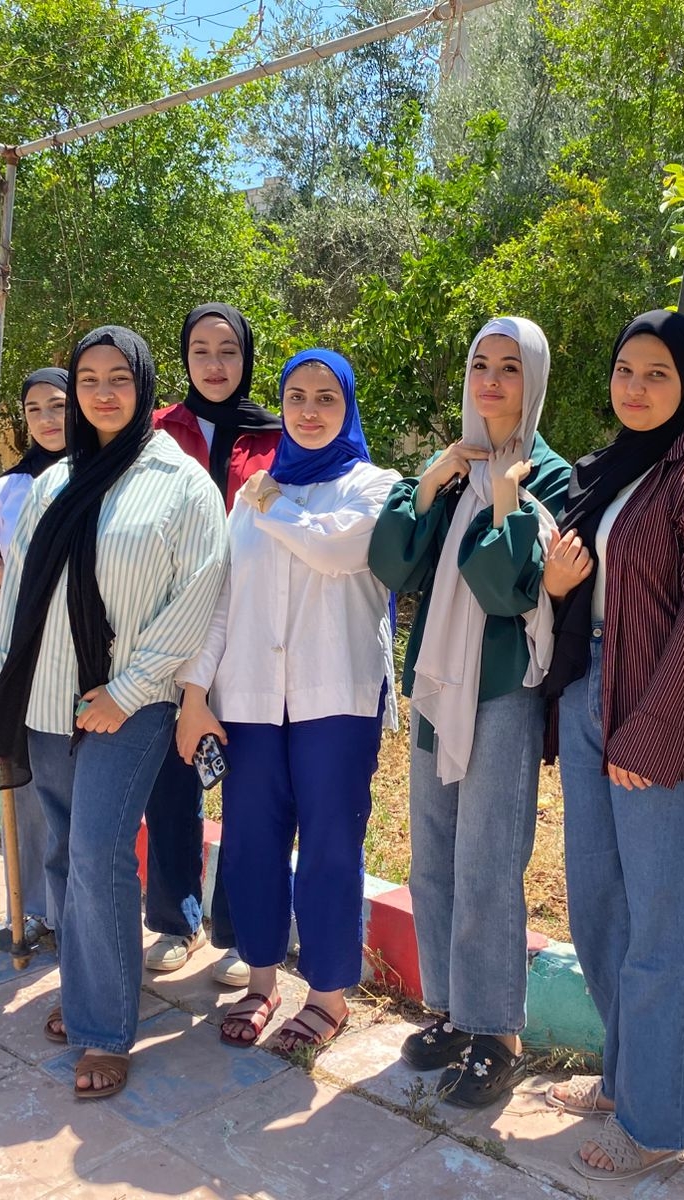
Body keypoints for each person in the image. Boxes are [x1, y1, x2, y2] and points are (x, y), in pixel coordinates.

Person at [0, 325, 226, 1100]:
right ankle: (88, 989)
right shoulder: (55, 480)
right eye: (89, 380)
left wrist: (127, 689)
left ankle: (106, 1027)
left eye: (119, 378)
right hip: (47, 696)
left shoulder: (181, 484)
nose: (104, 393)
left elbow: (196, 598)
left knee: (100, 850)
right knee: (66, 850)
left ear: (144, 385)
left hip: (131, 703)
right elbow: (20, 593)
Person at [539, 310, 684, 1182]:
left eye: (658, 373)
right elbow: (584, 588)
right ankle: (627, 1077)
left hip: (670, 709)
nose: (636, 387)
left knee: (663, 926)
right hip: (592, 690)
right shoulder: (608, 470)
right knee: (598, 905)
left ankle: (660, 1121)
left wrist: (654, 729)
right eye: (626, 369)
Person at [368, 316, 569, 1106]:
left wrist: (506, 500)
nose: (491, 381)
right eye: (481, 364)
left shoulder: (552, 477)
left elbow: (503, 588)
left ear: (535, 380)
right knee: (433, 853)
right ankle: (454, 1011)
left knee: (488, 860)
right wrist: (429, 484)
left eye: (510, 368)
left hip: (502, 689)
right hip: (438, 682)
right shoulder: (453, 465)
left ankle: (498, 1035)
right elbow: (394, 565)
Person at [177, 348, 399, 1054]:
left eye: (326, 398)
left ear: (348, 407)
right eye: (296, 396)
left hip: (337, 697)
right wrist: (195, 693)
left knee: (331, 844)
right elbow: (222, 601)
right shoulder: (250, 497)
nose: (308, 411)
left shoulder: (374, 486)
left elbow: (335, 554)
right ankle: (261, 980)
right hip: (247, 698)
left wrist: (269, 505)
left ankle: (328, 995)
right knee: (250, 842)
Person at [144, 303, 282, 987]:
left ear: (246, 357)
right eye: (200, 350)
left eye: (228, 350)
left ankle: (238, 930)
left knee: (246, 787)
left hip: (249, 632)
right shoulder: (155, 431)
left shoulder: (278, 435)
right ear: (185, 357)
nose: (215, 364)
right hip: (171, 628)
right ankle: (178, 921)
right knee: (173, 780)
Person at [0, 366, 69, 948]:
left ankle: (74, 913)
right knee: (27, 791)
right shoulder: (9, 489)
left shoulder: (106, 478)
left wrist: (23, 579)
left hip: (85, 664)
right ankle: (32, 909)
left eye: (58, 405)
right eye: (34, 409)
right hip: (20, 665)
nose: (47, 419)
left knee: (75, 795)